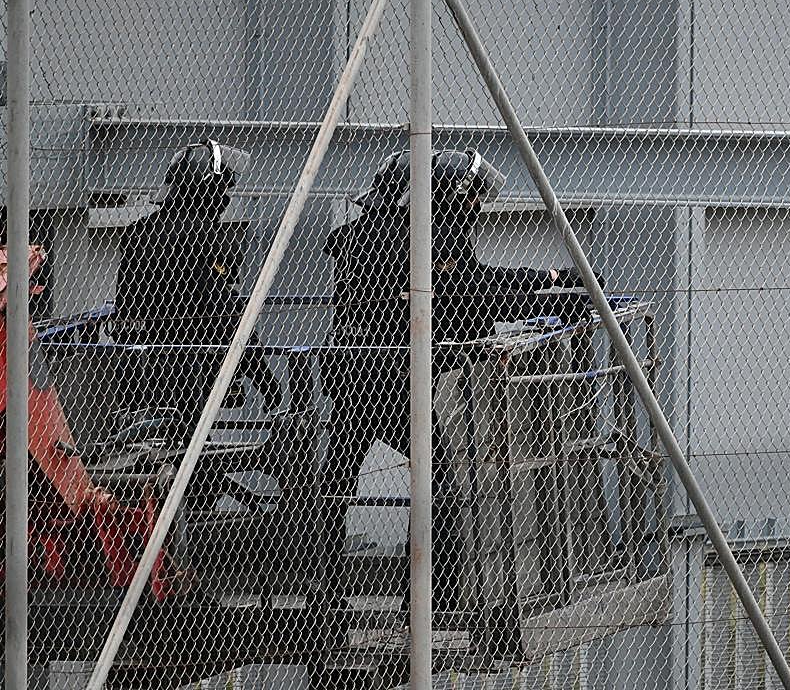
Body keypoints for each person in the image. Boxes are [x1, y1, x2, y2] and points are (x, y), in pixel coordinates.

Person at [312, 148, 587, 611]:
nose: (476, 207)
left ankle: (331, 599)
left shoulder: (387, 232)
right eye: (471, 197)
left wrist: (550, 280)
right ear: (446, 196)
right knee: (436, 479)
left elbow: (473, 284)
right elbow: (470, 297)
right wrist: (552, 295)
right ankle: (427, 601)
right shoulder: (410, 238)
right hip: (386, 376)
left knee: (340, 477)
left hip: (353, 368)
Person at [112, 140, 282, 442]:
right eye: (223, 189)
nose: (226, 197)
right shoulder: (206, 237)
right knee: (193, 450)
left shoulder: (139, 231)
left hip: (137, 363)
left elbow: (125, 305)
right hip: (188, 365)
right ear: (206, 189)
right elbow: (225, 313)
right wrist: (264, 377)